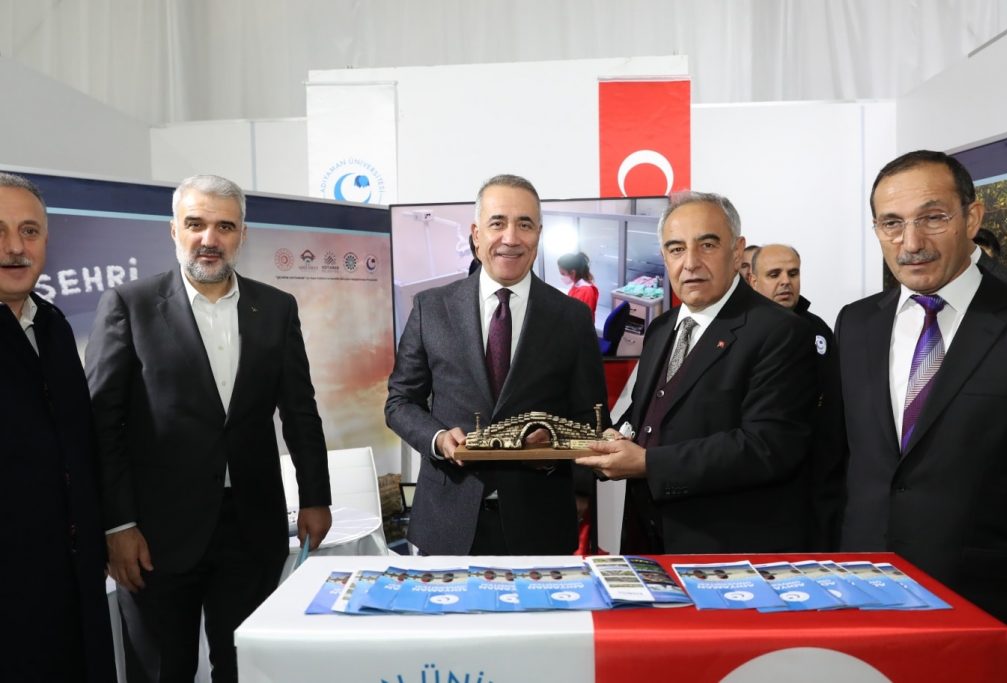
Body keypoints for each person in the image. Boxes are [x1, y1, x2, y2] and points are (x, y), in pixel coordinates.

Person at [86, 174, 332, 682]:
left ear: (243, 234)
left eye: (225, 226)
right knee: (162, 671)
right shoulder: (130, 305)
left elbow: (300, 411)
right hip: (155, 537)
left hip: (252, 529)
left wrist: (315, 497)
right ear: (173, 230)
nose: (209, 239)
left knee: (245, 669)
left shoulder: (276, 308)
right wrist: (117, 526)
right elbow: (103, 424)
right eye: (196, 224)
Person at [838, 150, 1007, 677]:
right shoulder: (856, 324)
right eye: (891, 223)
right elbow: (843, 462)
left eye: (933, 218)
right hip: (864, 595)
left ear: (973, 217)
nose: (911, 242)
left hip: (990, 608)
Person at [577, 192, 817, 554]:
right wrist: (620, 435)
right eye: (676, 249)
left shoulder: (780, 331)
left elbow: (767, 447)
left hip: (725, 552)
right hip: (647, 542)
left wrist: (648, 464)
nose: (690, 263)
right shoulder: (661, 328)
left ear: (737, 252)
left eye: (707, 245)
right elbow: (650, 414)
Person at [385, 174, 607, 556]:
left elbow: (591, 416)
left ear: (539, 234)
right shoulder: (431, 308)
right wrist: (438, 439)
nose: (511, 237)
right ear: (476, 234)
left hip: (540, 523)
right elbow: (400, 402)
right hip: (447, 520)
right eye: (498, 222)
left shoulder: (571, 317)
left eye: (525, 224)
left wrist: (557, 446)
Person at [0, 173, 116, 682]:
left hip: (73, 588)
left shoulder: (53, 324)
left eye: (29, 231)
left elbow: (76, 446)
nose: (14, 247)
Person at [750, 243, 845, 549]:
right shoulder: (740, 332)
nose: (785, 282)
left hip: (819, 478)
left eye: (793, 273)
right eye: (774, 274)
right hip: (762, 480)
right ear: (753, 281)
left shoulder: (818, 329)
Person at [557, 251, 599, 320]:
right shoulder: (576, 285)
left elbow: (581, 318)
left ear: (573, 273)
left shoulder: (587, 291)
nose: (562, 277)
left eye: (563, 274)